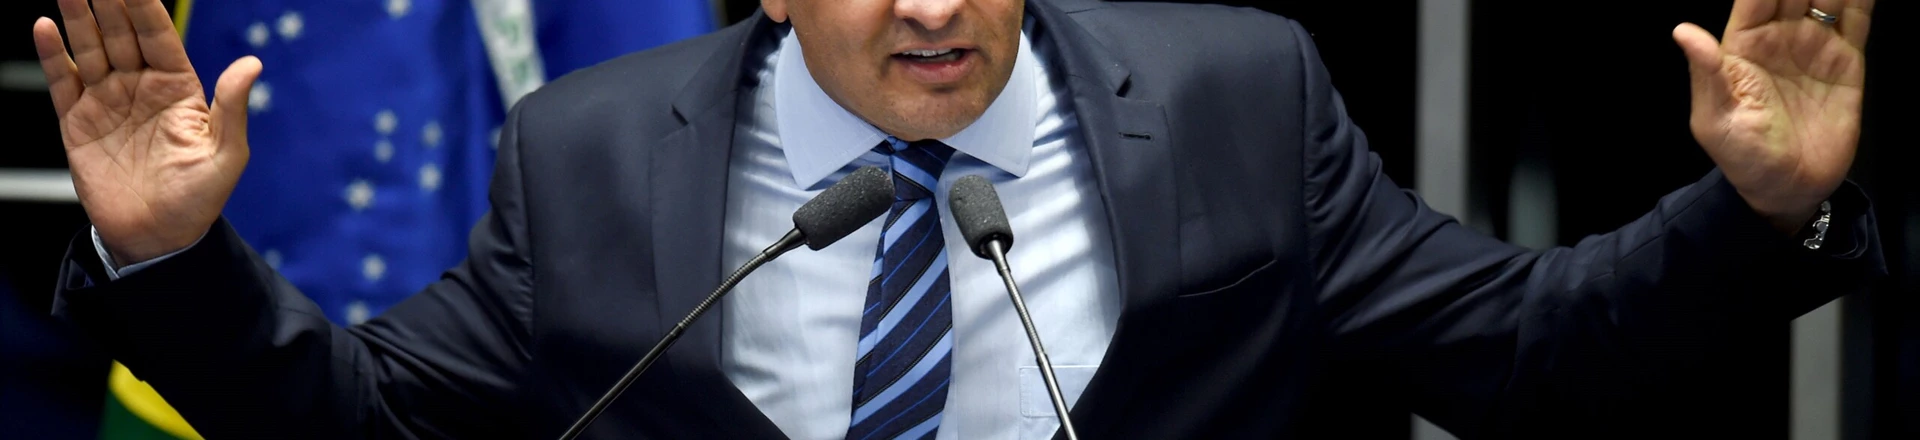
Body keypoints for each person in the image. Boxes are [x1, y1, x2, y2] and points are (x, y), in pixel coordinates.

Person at [28, 0, 1882, 438]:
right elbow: (374, 425)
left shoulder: (1240, 96)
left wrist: (1754, 210)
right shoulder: (590, 155)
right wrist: (170, 260)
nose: (930, 8)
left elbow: (1530, 358)